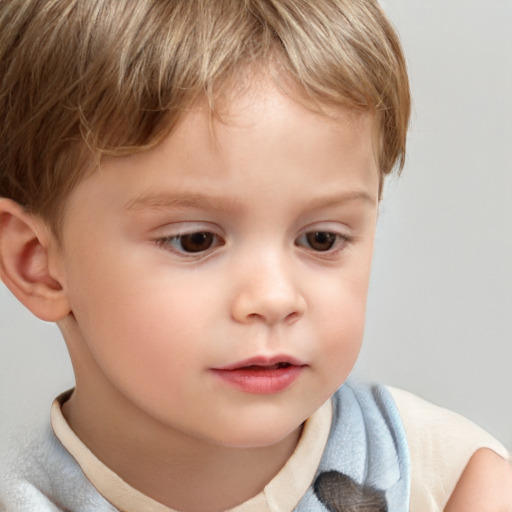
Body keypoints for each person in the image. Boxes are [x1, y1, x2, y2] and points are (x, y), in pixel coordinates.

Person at [0, 1, 510, 511]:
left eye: (321, 239)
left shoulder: (448, 480)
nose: (274, 298)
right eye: (195, 240)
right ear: (37, 264)